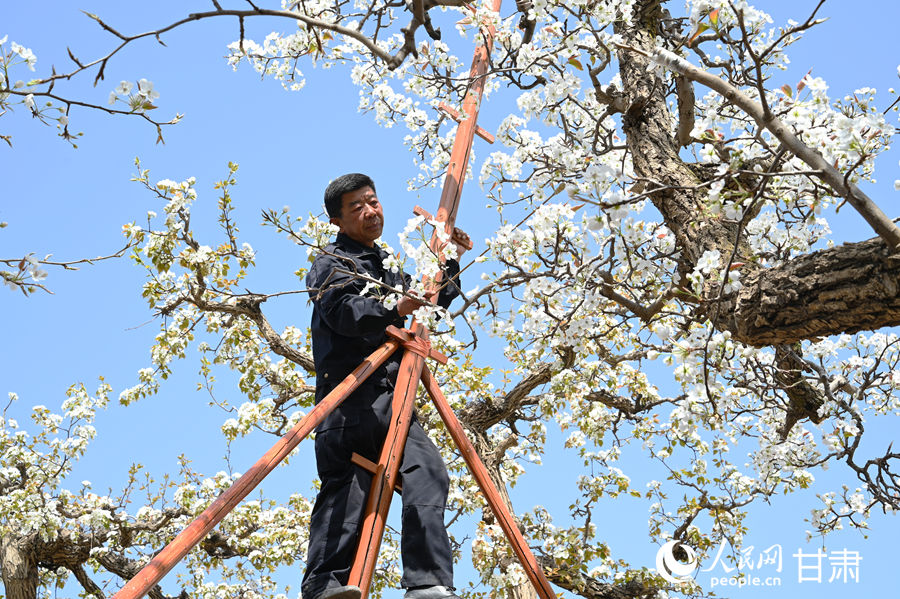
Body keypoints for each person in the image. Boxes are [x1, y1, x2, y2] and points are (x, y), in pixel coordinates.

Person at [302, 173, 469, 599]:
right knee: (347, 495)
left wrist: (449, 261)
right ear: (337, 221)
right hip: (349, 400)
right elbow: (346, 312)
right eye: (356, 207)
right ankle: (324, 587)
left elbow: (427, 307)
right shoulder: (331, 263)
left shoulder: (387, 267)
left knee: (429, 472)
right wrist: (394, 305)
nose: (369, 211)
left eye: (372, 201)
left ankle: (427, 583)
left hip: (394, 401)